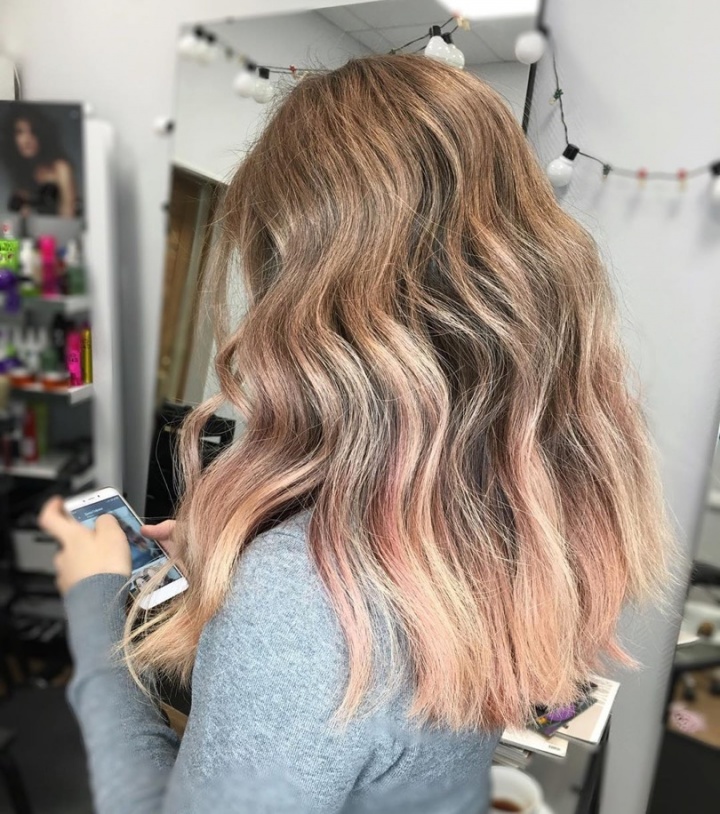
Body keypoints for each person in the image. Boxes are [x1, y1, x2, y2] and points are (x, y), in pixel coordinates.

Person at [39, 54, 674, 814]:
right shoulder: (517, 510)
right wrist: (237, 561)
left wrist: (93, 603)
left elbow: (313, 641)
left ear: (305, 295)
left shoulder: (302, 595)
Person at [0, 102, 79, 217]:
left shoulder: (60, 167)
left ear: (42, 135)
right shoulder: (22, 170)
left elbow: (68, 216)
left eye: (33, 132)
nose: (27, 140)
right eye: (20, 132)